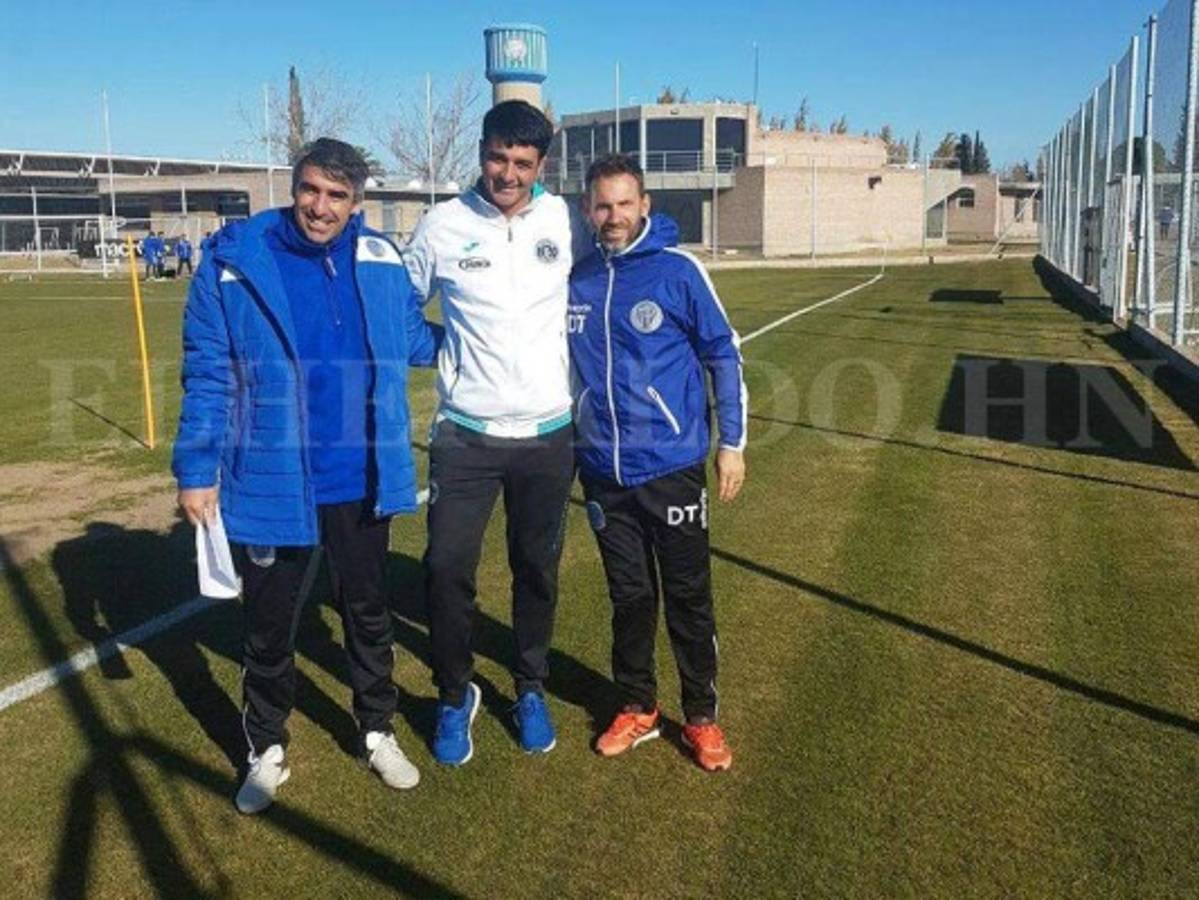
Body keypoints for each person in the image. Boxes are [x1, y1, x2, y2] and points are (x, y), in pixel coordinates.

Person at [173, 138, 443, 814]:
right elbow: (207, 369)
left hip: (363, 475)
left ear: (357, 203)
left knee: (368, 615)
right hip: (271, 479)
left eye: (336, 196)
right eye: (310, 190)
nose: (320, 208)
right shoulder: (234, 263)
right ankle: (265, 748)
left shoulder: (380, 259)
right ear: (294, 188)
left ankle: (377, 729)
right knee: (269, 629)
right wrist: (196, 469)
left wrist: (504, 330)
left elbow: (417, 340)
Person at [402, 100, 575, 765]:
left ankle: (529, 686)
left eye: (522, 163)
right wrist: (444, 347)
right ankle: (454, 696)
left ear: (541, 166)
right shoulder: (442, 225)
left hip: (548, 435)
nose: (507, 173)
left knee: (536, 568)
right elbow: (401, 307)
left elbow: (606, 269)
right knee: (445, 567)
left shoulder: (563, 220)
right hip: (466, 436)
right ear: (480, 152)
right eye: (497, 157)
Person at [567, 154, 746, 772]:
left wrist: (732, 443)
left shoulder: (678, 272)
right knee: (629, 598)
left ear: (644, 205)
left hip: (670, 465)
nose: (613, 216)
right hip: (601, 470)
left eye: (623, 204)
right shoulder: (579, 277)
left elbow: (723, 352)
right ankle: (638, 706)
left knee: (689, 597)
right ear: (588, 209)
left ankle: (701, 718)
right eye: (602, 205)